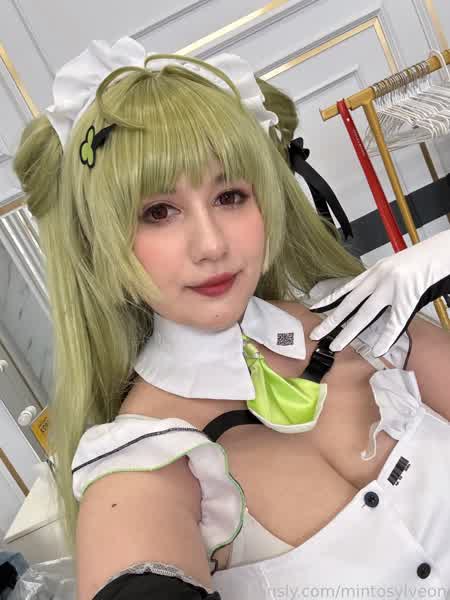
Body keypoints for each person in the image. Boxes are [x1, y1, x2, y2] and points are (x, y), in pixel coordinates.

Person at [12, 37, 450, 600]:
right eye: (158, 211)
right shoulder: (142, 465)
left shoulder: (369, 328)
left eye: (230, 196)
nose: (212, 245)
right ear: (98, 242)